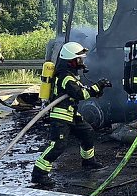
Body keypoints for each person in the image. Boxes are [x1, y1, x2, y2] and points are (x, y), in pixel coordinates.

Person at [31, 42, 111, 186]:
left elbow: (81, 91)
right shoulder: (65, 77)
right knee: (58, 145)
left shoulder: (71, 76)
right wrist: (98, 86)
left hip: (71, 114)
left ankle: (88, 161)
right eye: (80, 59)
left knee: (87, 133)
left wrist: (97, 90)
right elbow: (80, 94)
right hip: (60, 116)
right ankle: (39, 174)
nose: (82, 61)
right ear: (71, 60)